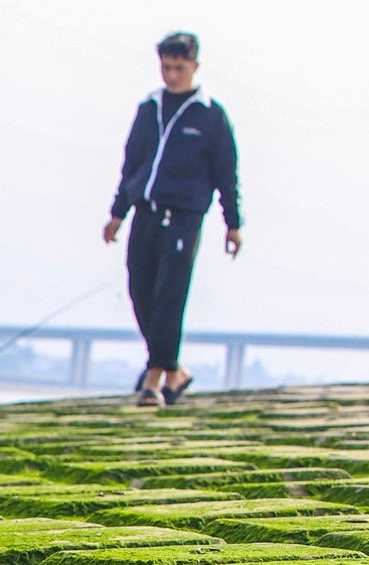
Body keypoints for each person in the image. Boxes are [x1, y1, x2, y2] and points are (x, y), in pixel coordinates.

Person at [102, 31, 242, 406]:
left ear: (194, 66)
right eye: (166, 67)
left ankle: (152, 379)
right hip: (145, 211)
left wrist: (234, 222)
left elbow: (227, 172)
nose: (172, 75)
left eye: (179, 68)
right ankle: (174, 370)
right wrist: (118, 213)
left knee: (169, 294)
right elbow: (130, 164)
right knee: (140, 290)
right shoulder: (149, 108)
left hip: (184, 216)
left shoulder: (211, 115)